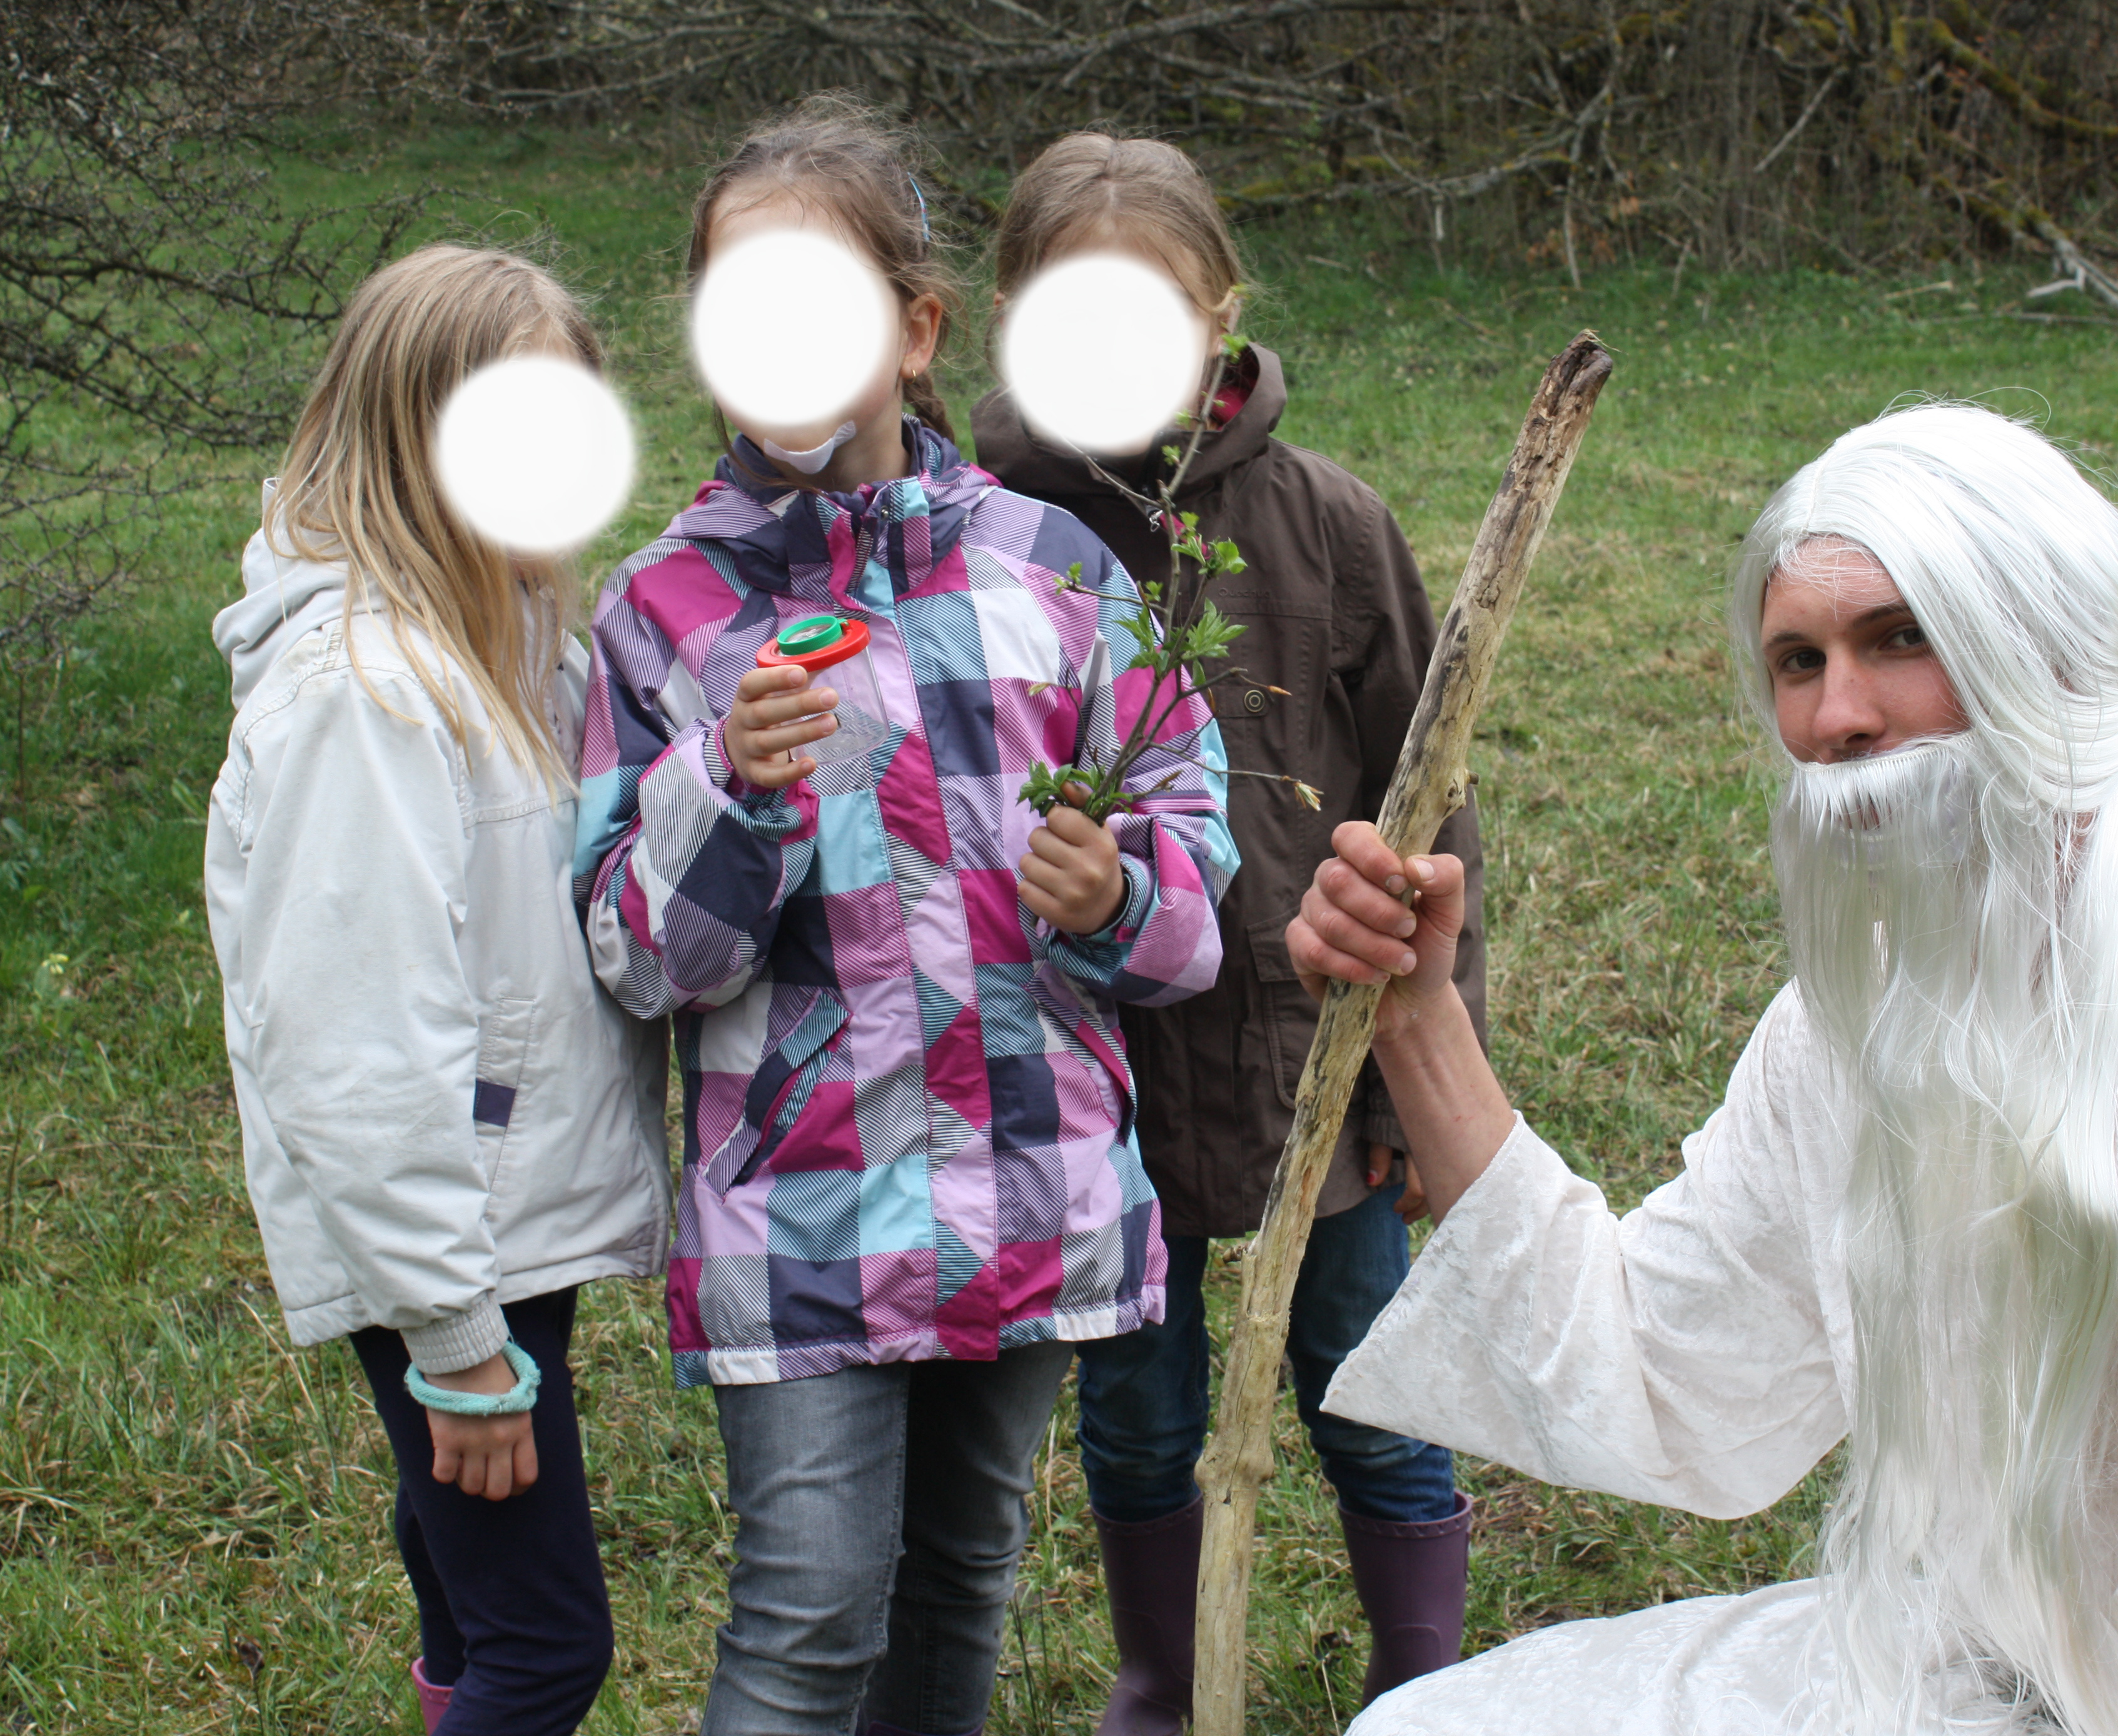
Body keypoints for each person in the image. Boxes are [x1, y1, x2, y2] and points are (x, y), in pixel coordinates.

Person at [1287, 402, 2118, 1735]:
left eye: (1900, 637)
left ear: (2046, 649)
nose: (1836, 715)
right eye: (1796, 659)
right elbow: (1661, 1361)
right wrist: (1419, 1016)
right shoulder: (1854, 1020)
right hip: (1950, 1683)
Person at [572, 98, 1234, 1736]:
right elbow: (636, 950)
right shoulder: (668, 615)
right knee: (807, 1617)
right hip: (798, 1213)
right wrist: (727, 795)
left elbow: (1191, 846)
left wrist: (1120, 892)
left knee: (961, 1589)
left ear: (918, 326)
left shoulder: (1057, 571)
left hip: (1026, 1176)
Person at [969, 130, 1488, 1732]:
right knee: (1136, 1404)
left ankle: (1425, 1676)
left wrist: (1413, 1068)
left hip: (1303, 1050)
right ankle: (1164, 1677)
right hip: (1089, 1067)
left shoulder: (1328, 525)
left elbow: (1434, 808)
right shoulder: (985, 536)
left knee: (1373, 1376)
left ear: (1221, 315)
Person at [206, 243, 672, 1735]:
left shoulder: (499, 634)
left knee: (469, 1598)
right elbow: (351, 1040)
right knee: (547, 1644)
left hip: (494, 1213)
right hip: (451, 1241)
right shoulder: (365, 692)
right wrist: (457, 1333)